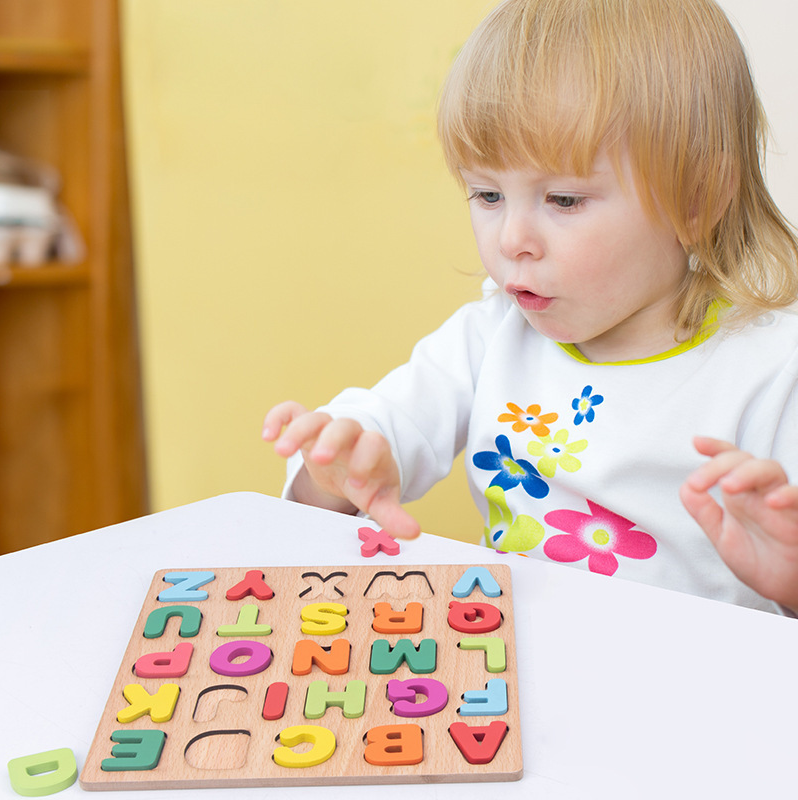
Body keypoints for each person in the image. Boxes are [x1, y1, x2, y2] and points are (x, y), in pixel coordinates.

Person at [263, 0, 798, 615]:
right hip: (514, 682)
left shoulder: (774, 370)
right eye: (487, 194)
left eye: (564, 200)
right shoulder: (491, 338)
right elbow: (376, 433)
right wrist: (335, 474)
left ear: (698, 198)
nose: (511, 238)